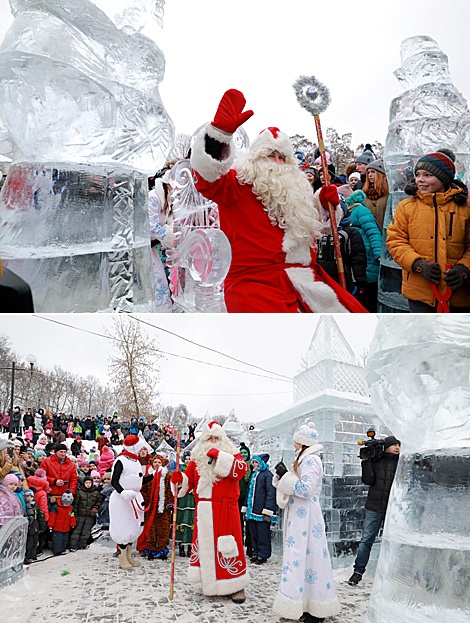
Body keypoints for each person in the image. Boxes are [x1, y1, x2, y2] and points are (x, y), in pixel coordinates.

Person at [190, 88, 367, 313]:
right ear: (255, 159)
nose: (277, 162)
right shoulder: (236, 183)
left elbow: (317, 229)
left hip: (306, 281)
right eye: (269, 155)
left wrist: (322, 204)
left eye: (282, 157)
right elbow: (208, 178)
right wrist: (218, 137)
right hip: (255, 284)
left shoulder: (297, 191)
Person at [170, 420, 249, 603]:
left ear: (223, 439)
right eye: (209, 438)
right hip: (204, 509)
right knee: (207, 547)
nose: (213, 440)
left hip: (225, 509)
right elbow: (188, 481)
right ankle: (210, 584)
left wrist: (220, 456)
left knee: (229, 547)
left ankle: (236, 585)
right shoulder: (197, 459)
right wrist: (178, 479)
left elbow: (240, 471)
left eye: (216, 437)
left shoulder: (233, 454)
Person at [272, 422, 340, 623]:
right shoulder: (303, 459)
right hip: (299, 518)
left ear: (302, 442)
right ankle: (300, 603)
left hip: (307, 518)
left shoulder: (311, 461)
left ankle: (316, 607)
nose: (293, 443)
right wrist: (282, 476)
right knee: (299, 559)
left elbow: (306, 490)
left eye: (296, 440)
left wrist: (285, 477)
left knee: (311, 559)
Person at [386, 149, 470, 312]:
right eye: (418, 175)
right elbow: (396, 241)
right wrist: (417, 264)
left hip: (458, 294)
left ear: (443, 178)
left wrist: (464, 269)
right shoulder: (406, 207)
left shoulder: (465, 209)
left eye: (427, 175)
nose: (420, 180)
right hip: (420, 293)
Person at [348, 435, 401, 586]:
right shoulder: (377, 461)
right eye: (394, 445)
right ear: (386, 447)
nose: (397, 448)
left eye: (399, 445)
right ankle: (357, 572)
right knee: (366, 540)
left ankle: (393, 575)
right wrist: (366, 462)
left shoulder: (401, 463)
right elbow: (368, 480)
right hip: (374, 507)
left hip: (393, 508)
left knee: (394, 541)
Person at [109, 434, 148, 570]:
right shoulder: (121, 460)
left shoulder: (136, 462)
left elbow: (138, 480)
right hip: (123, 498)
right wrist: (123, 492)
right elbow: (114, 480)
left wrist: (155, 476)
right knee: (123, 527)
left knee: (133, 527)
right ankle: (122, 557)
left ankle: (129, 556)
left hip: (135, 497)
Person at [345, 190, 383, 312]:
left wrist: (378, 254)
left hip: (369, 258)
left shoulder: (359, 210)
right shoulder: (346, 213)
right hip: (360, 259)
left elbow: (373, 232)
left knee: (368, 294)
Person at [241, 453, 276, 564]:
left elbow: (271, 493)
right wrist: (245, 508)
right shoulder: (254, 475)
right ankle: (255, 551)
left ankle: (263, 553)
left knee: (262, 533)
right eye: (254, 463)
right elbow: (248, 492)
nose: (254, 465)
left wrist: (268, 510)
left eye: (256, 462)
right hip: (252, 510)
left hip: (261, 510)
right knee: (253, 532)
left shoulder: (267, 475)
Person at [69, 475, 102, 551]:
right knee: (77, 530)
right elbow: (76, 504)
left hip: (90, 515)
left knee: (86, 531)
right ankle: (73, 546)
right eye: (86, 482)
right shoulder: (80, 492)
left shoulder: (96, 493)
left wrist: (95, 508)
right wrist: (75, 513)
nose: (88, 484)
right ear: (84, 483)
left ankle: (82, 544)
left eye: (89, 483)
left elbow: (98, 502)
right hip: (80, 515)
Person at [362, 159, 389, 231]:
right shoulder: (364, 193)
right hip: (369, 234)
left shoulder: (389, 194)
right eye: (368, 172)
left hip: (386, 234)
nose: (370, 175)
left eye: (373, 172)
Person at [48, 489, 76, 555]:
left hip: (66, 528)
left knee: (64, 539)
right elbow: (52, 517)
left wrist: (72, 524)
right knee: (57, 540)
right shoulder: (56, 507)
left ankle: (63, 549)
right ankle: (57, 551)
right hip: (57, 528)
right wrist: (50, 526)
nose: (67, 505)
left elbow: (72, 516)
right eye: (66, 503)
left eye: (68, 503)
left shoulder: (70, 508)